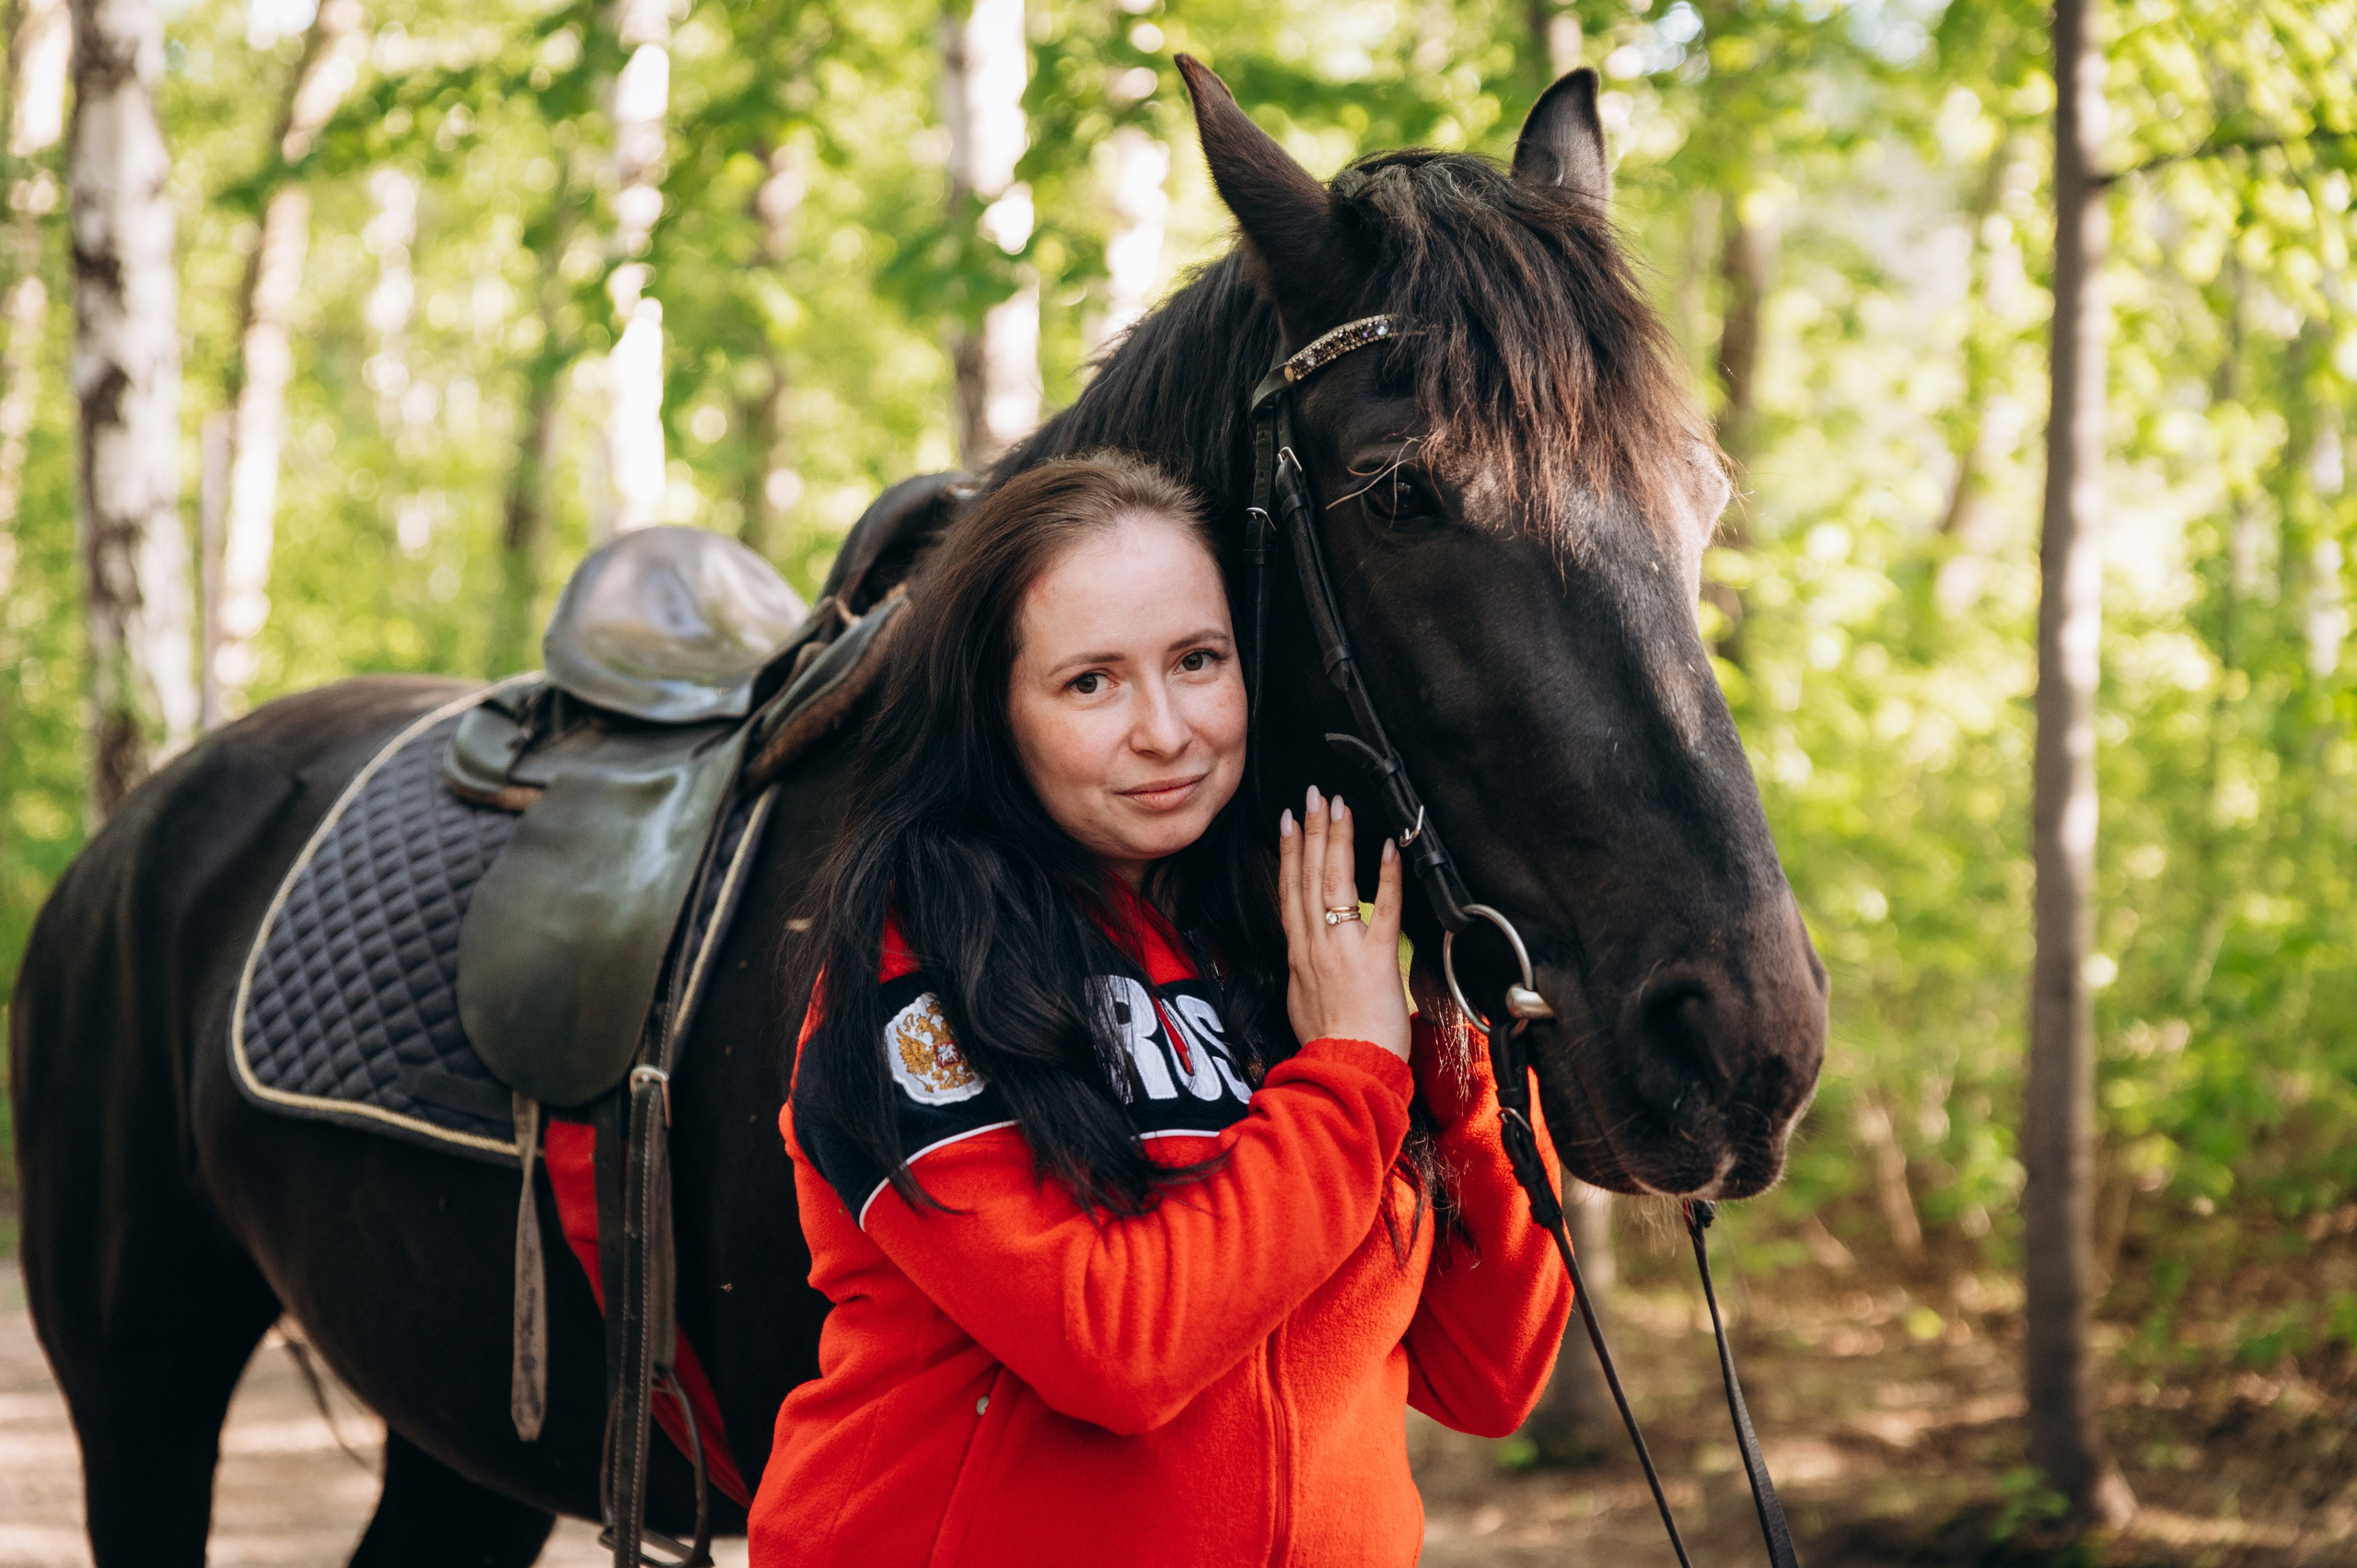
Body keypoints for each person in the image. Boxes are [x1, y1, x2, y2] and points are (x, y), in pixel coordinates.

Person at [749, 454, 1572, 1566]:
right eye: (1091, 681)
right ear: (995, 712)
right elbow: (1115, 1350)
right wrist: (1347, 1074)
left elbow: (1488, 1375)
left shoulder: (1295, 941)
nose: (1166, 729)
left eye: (1196, 660)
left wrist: (1453, 1043)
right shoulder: (916, 970)